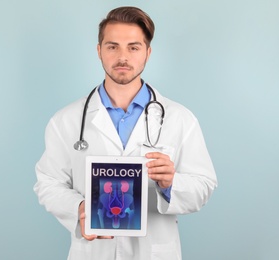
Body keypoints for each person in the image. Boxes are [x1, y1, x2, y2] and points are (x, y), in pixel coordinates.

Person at [34, 6, 217, 260]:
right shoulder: (66, 120)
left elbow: (204, 185)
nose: (123, 57)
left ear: (147, 53)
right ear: (99, 51)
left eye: (133, 47)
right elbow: (48, 183)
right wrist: (79, 208)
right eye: (112, 46)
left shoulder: (179, 118)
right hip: (93, 252)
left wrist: (171, 182)